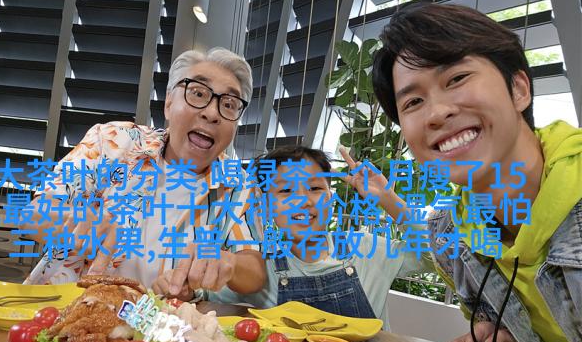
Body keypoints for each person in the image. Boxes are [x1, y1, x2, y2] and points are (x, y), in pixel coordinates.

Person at [371, 2, 582, 342]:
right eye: (414, 101)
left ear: (518, 89)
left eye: (456, 79)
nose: (437, 113)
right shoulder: (452, 238)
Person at [25, 47, 266, 300]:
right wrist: (75, 221)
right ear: (169, 103)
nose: (212, 113)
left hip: (164, 321)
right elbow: (32, 214)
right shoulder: (113, 140)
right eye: (198, 93)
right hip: (66, 307)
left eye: (229, 104)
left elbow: (255, 271)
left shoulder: (240, 185)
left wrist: (227, 263)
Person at [205, 145, 434, 325]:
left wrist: (388, 198)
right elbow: (204, 293)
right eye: (286, 190)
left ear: (331, 198)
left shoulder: (366, 249)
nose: (303, 201)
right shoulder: (260, 270)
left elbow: (436, 258)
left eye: (315, 188)